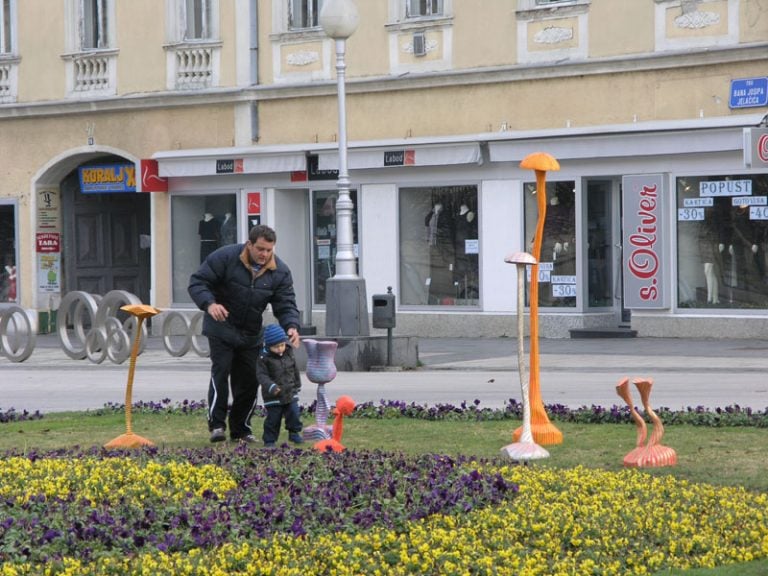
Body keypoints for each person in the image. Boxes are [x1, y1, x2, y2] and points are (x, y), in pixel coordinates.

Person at [188, 224, 301, 443]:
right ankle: (217, 426)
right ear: (249, 244)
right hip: (221, 327)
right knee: (221, 373)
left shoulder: (280, 271)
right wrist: (210, 304)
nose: (264, 254)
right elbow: (197, 282)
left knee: (250, 380)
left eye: (269, 250)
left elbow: (286, 303)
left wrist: (292, 326)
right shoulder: (225, 257)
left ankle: (241, 430)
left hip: (250, 333)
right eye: (260, 249)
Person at [257, 323, 304, 447]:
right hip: (273, 395)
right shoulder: (264, 358)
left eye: (282, 345)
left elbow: (294, 369)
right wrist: (271, 386)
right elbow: (262, 376)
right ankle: (269, 440)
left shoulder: (288, 353)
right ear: (268, 346)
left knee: (294, 413)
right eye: (276, 347)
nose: (280, 349)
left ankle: (294, 433)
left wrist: (297, 384)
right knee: (273, 419)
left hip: (289, 390)